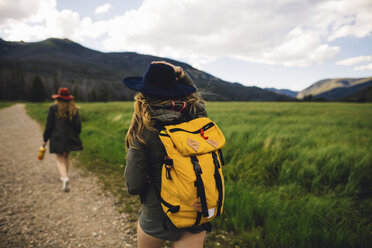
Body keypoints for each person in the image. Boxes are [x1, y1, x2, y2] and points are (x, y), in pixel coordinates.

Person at [123, 61, 208, 248]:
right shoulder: (197, 118)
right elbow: (195, 96)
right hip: (196, 208)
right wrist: (181, 74)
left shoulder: (143, 131)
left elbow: (133, 185)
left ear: (143, 95)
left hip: (157, 213)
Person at [43, 87, 83, 192]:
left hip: (57, 137)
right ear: (69, 98)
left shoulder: (53, 109)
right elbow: (78, 125)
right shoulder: (73, 109)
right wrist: (76, 134)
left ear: (58, 98)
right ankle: (65, 176)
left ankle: (64, 178)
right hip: (70, 137)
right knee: (66, 157)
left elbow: (49, 125)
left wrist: (45, 138)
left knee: (59, 159)